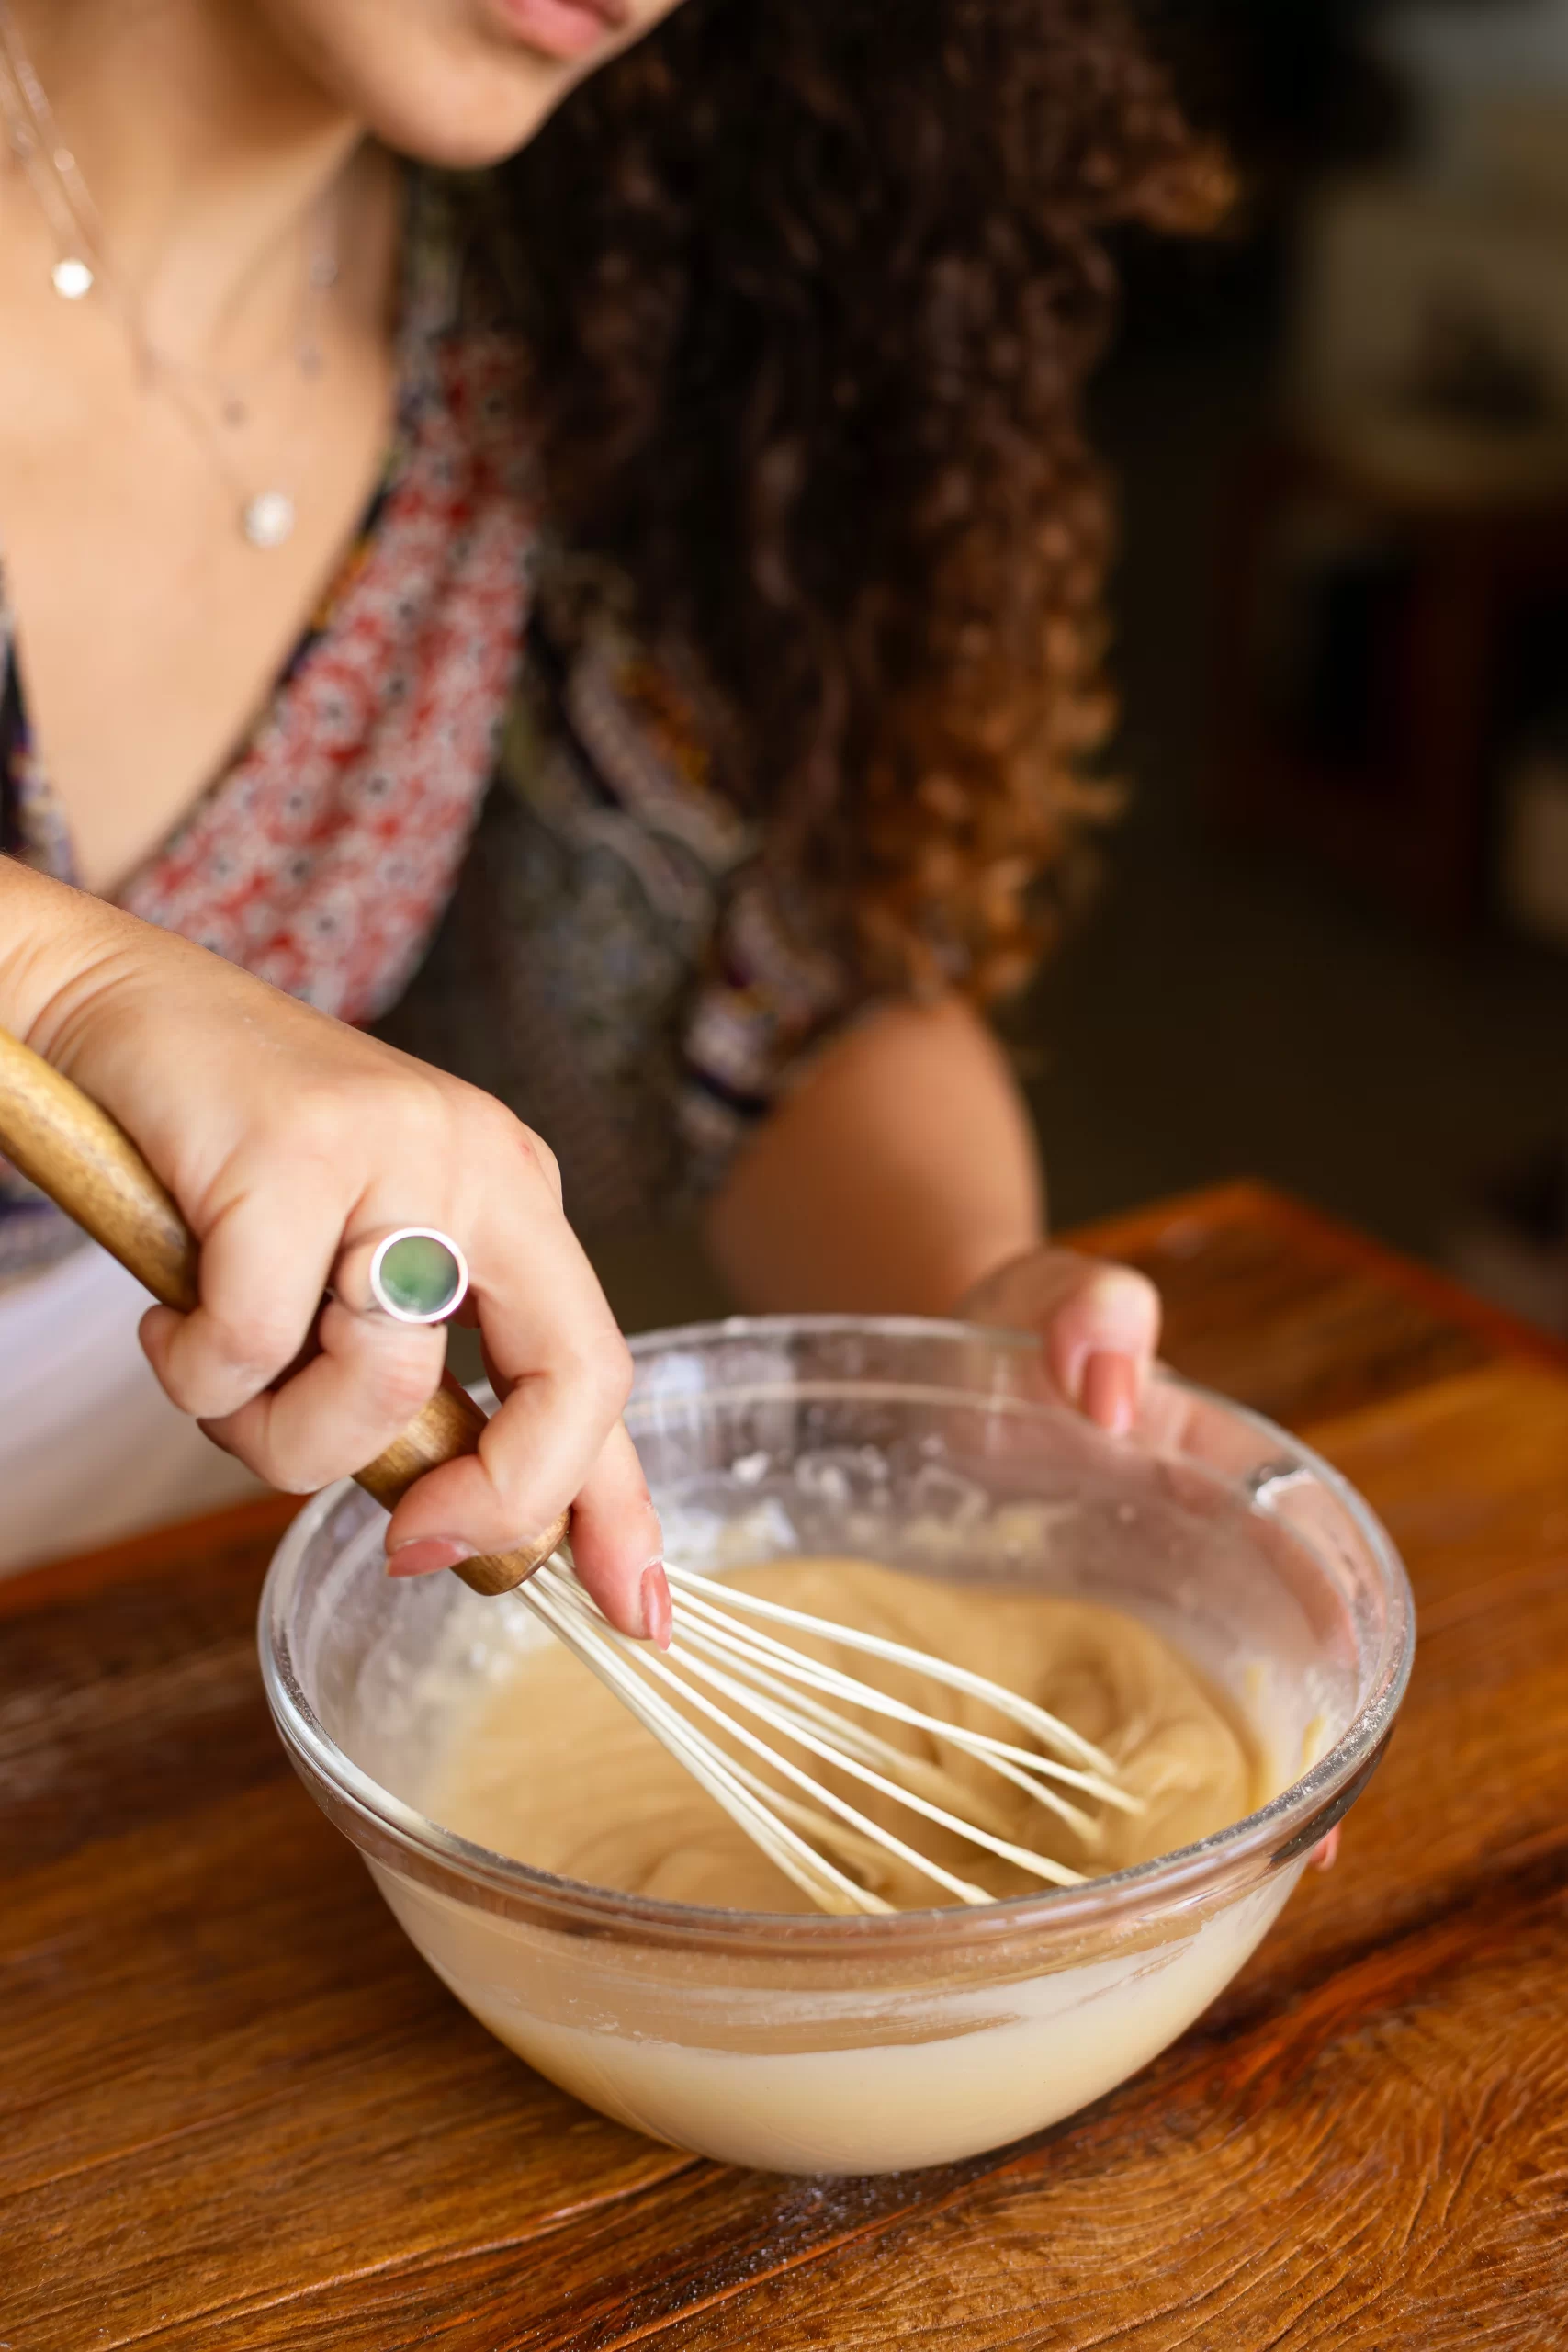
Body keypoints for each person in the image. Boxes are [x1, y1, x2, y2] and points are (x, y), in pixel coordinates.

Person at [0, 0, 1220, 1622]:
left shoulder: (528, 317)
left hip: (140, 1555)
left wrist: (967, 1338)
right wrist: (68, 985)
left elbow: (734, 958)